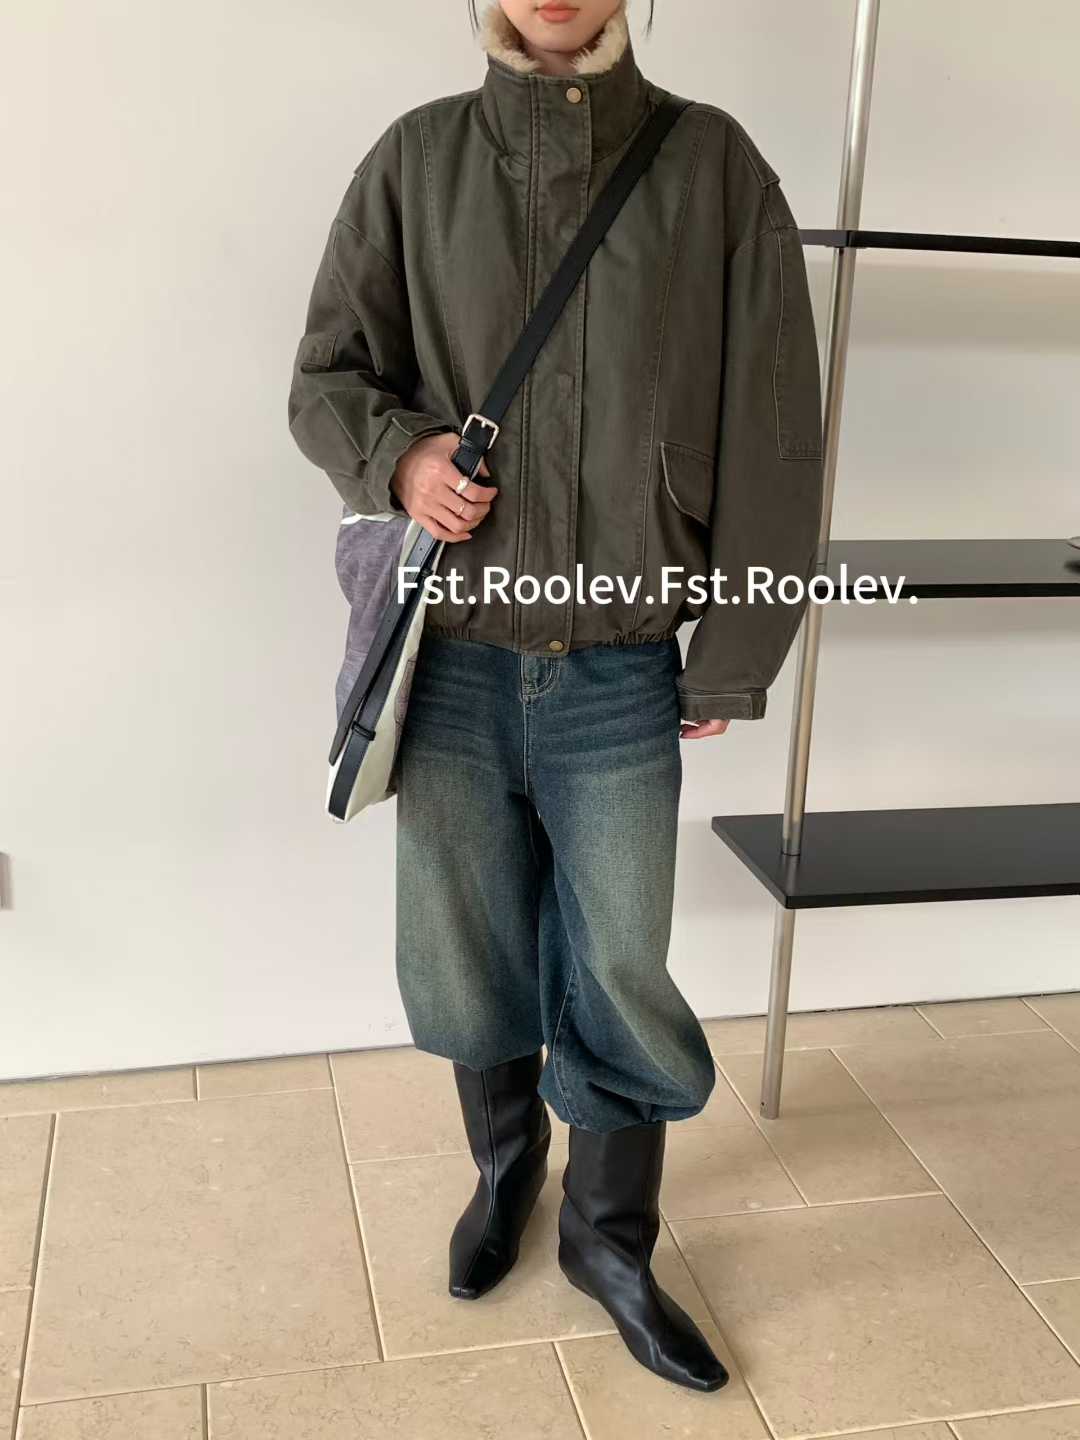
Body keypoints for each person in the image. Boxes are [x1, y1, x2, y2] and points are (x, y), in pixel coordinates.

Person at [288, 0, 824, 1392]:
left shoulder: (713, 167)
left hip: (624, 660)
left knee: (621, 965)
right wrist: (403, 459)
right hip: (454, 657)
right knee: (463, 947)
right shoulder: (416, 163)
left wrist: (735, 646)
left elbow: (777, 423)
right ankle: (505, 1170)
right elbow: (326, 380)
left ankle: (610, 1239)